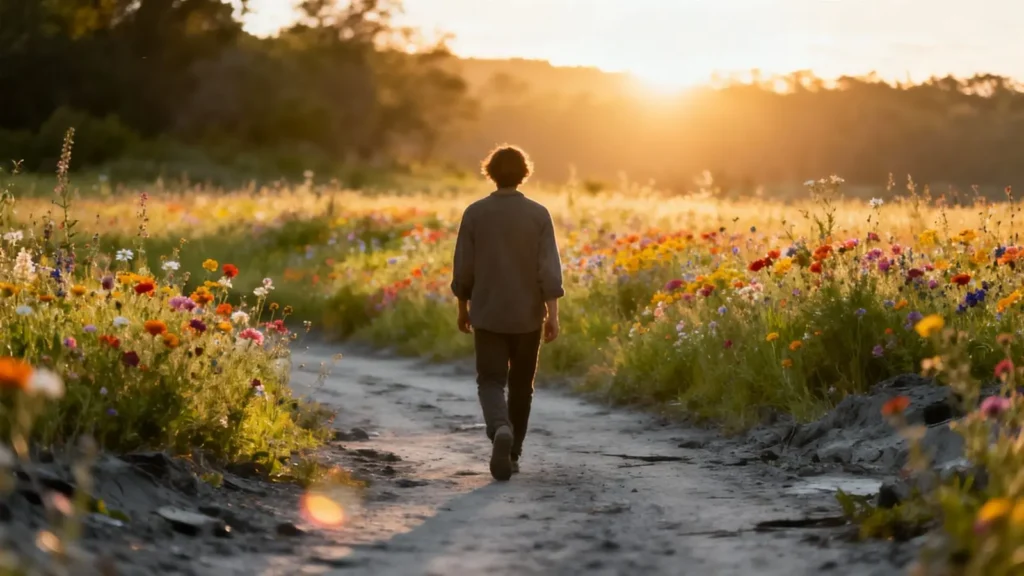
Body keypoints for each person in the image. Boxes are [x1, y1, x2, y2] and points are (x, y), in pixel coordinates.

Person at [450, 144, 564, 481]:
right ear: (524, 174)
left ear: (491, 173)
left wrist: (462, 306)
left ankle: (500, 427)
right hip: (528, 316)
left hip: (487, 312)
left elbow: (464, 267)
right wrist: (553, 313)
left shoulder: (475, 213)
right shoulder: (539, 214)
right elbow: (549, 269)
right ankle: (513, 454)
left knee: (490, 380)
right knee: (521, 386)